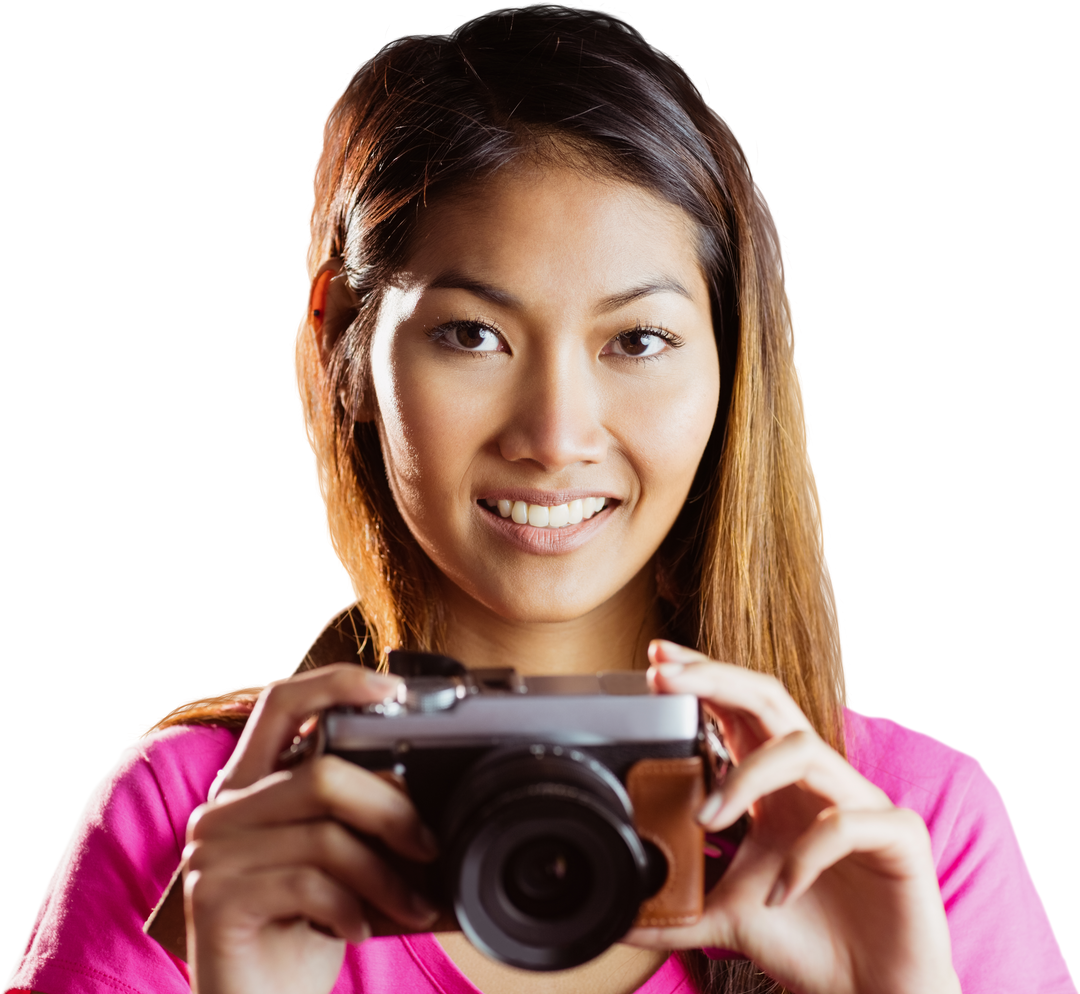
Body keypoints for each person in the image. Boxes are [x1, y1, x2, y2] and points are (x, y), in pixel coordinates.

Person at [5, 5, 1072, 994]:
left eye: (638, 340)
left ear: (730, 367)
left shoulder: (910, 827)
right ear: (344, 343)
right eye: (472, 334)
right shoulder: (192, 828)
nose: (556, 435)